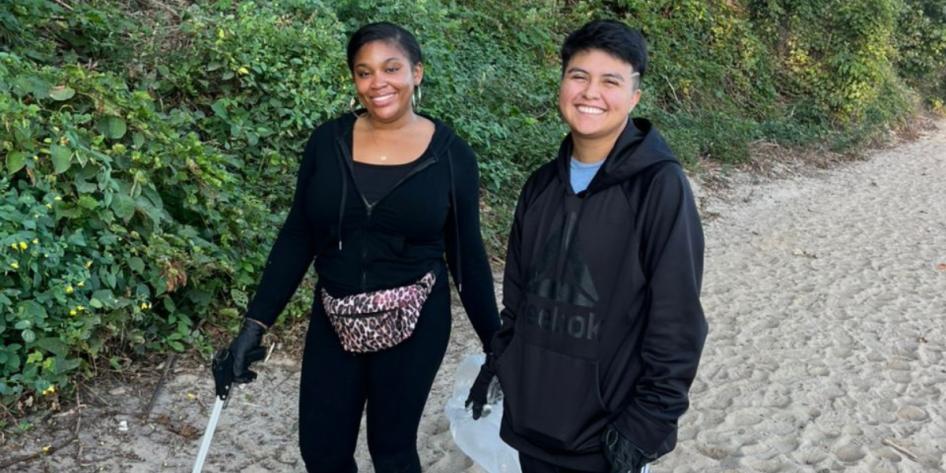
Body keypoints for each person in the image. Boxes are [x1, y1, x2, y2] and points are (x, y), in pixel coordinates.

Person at [223, 22, 500, 473]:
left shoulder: (453, 157)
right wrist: (255, 324)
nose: (377, 83)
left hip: (415, 320)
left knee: (392, 451)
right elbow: (298, 234)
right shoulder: (327, 143)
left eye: (391, 68)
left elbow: (467, 256)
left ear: (416, 73)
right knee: (322, 451)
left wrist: (496, 347)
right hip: (336, 314)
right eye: (364, 72)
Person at [490, 19, 708, 473]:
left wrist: (647, 425)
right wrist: (501, 364)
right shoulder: (540, 186)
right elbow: (517, 299)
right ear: (562, 84)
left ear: (634, 96)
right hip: (531, 426)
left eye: (610, 81)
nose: (591, 93)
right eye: (579, 76)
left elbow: (677, 320)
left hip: (607, 437)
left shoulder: (659, 187)